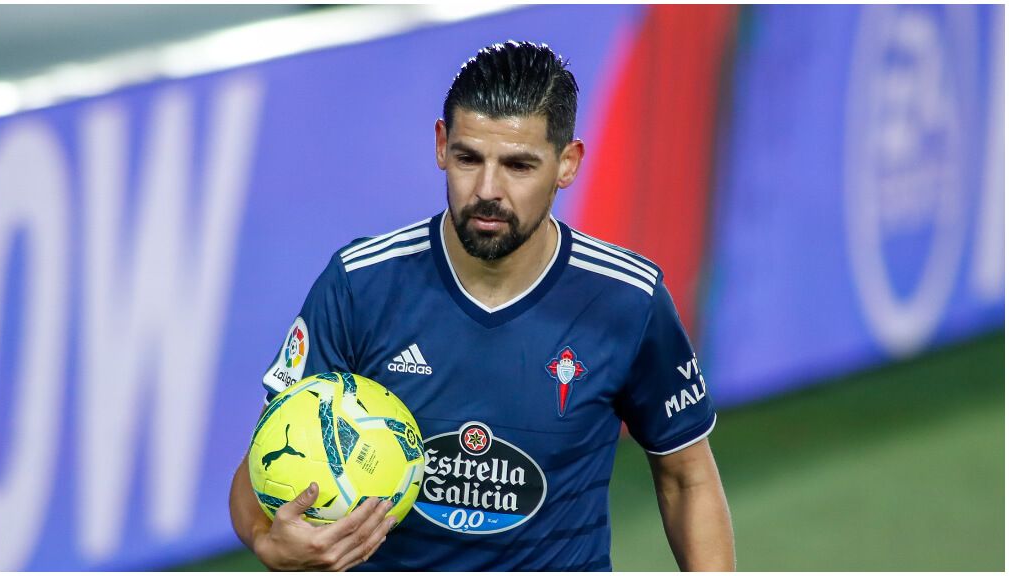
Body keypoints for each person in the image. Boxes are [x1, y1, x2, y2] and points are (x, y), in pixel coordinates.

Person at [229, 40, 735, 571]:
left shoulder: (627, 299)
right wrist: (269, 542)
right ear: (442, 145)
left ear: (568, 164)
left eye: (519, 165)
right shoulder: (361, 284)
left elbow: (687, 477)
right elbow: (256, 470)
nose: (487, 189)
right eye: (469, 158)